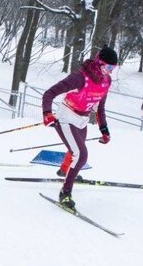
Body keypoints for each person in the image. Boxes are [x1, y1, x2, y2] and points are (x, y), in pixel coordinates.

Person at [41, 45, 118, 209]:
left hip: (82, 121)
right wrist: (47, 113)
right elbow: (49, 93)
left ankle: (64, 171)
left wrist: (104, 129)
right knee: (81, 155)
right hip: (66, 118)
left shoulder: (106, 82)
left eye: (114, 68)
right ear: (98, 63)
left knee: (75, 150)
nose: (110, 71)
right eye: (108, 67)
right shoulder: (80, 78)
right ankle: (65, 193)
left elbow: (100, 107)